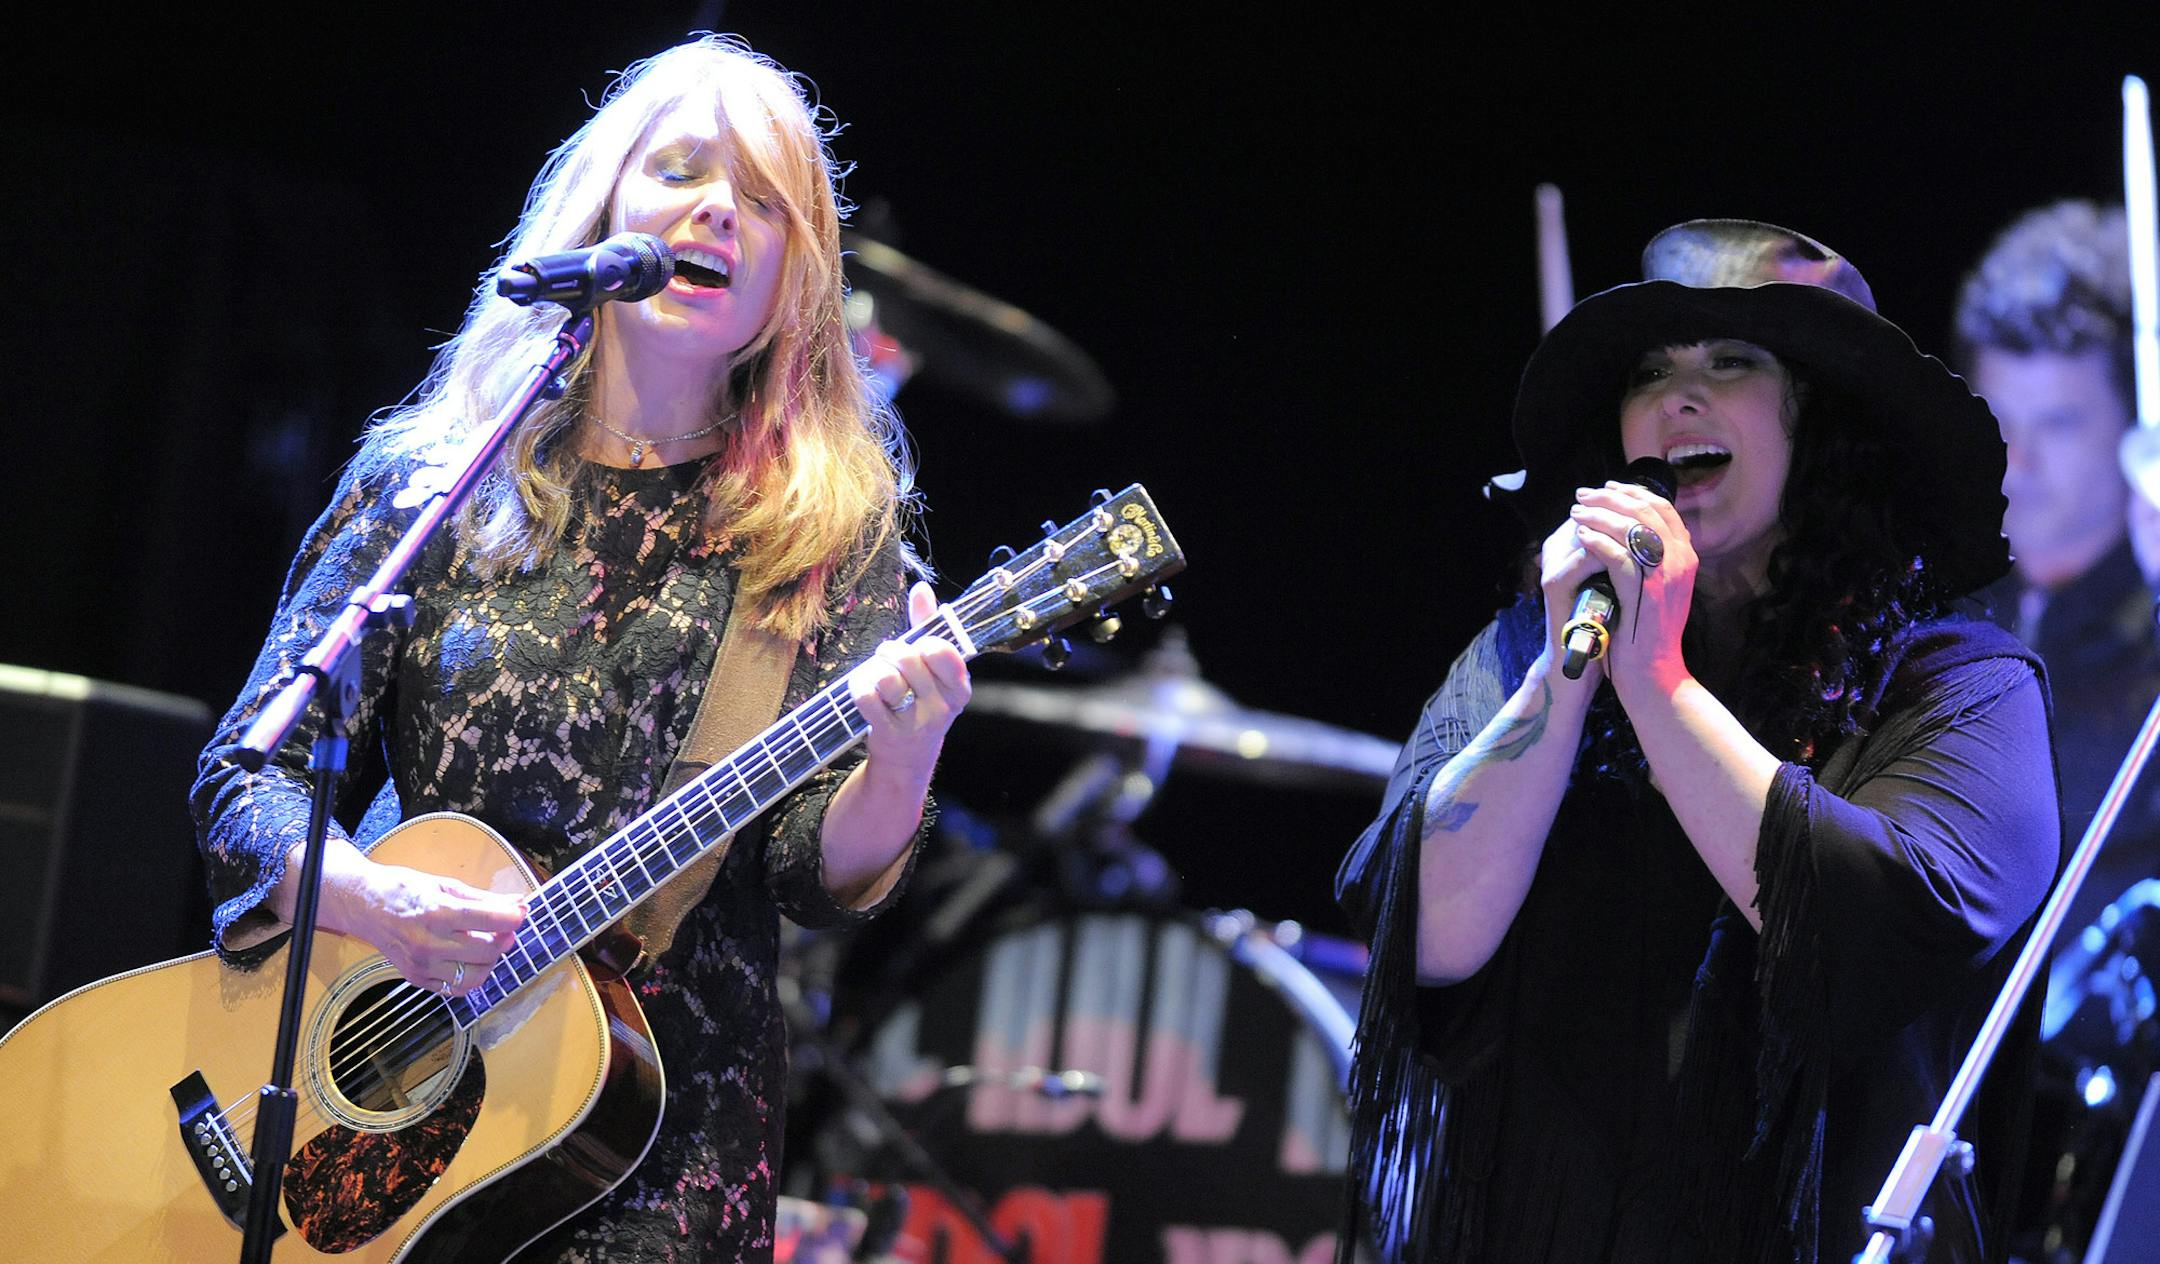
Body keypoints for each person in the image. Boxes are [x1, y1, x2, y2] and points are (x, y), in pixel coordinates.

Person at [190, 36, 969, 1262]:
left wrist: (907, 756)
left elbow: (814, 876)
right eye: (680, 170)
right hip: (377, 1097)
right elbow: (247, 776)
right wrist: (371, 898)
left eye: (764, 200)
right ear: (603, 210)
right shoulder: (431, 481)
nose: (717, 205)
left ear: (793, 283)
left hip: (656, 1150)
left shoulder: (830, 531)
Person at [1336, 220, 2062, 1263]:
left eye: (1732, 362)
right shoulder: (1526, 655)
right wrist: (1570, 673)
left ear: (1823, 420)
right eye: (1651, 372)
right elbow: (1425, 938)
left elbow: (1874, 933)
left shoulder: (1957, 685)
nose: (1679, 400)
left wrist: (1660, 683)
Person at [1954, 200, 2155, 940]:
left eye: (2060, 424)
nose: (2019, 462)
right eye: (1998, 419)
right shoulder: (1934, 606)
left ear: (2138, 429)